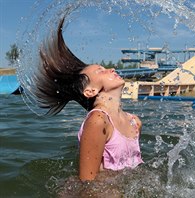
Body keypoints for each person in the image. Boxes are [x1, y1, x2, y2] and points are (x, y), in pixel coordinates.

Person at [33, 17, 143, 181]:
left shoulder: (134, 121)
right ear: (90, 91)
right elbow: (87, 183)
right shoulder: (98, 120)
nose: (111, 69)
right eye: (100, 71)